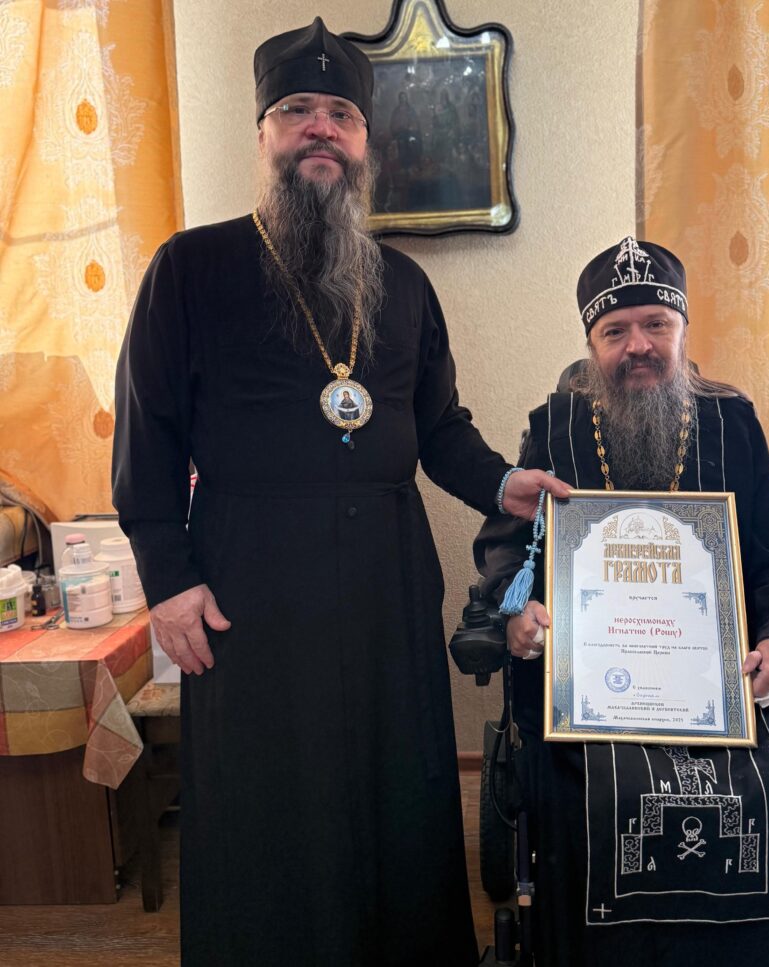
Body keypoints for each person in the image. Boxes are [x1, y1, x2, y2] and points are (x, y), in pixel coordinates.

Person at [112, 17, 567, 966]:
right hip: (249, 587)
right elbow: (145, 437)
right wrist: (169, 580)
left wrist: (502, 481)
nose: (320, 127)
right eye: (296, 110)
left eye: (341, 114)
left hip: (384, 583)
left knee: (395, 785)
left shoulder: (402, 284)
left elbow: (437, 426)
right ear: (264, 134)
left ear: (365, 142)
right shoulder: (189, 269)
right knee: (267, 800)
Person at [473, 238, 769, 967]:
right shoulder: (555, 428)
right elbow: (507, 548)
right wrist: (515, 612)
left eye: (656, 324)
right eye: (615, 331)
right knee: (579, 798)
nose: (639, 345)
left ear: (684, 330)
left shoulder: (732, 424)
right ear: (592, 345)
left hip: (725, 684)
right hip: (593, 695)